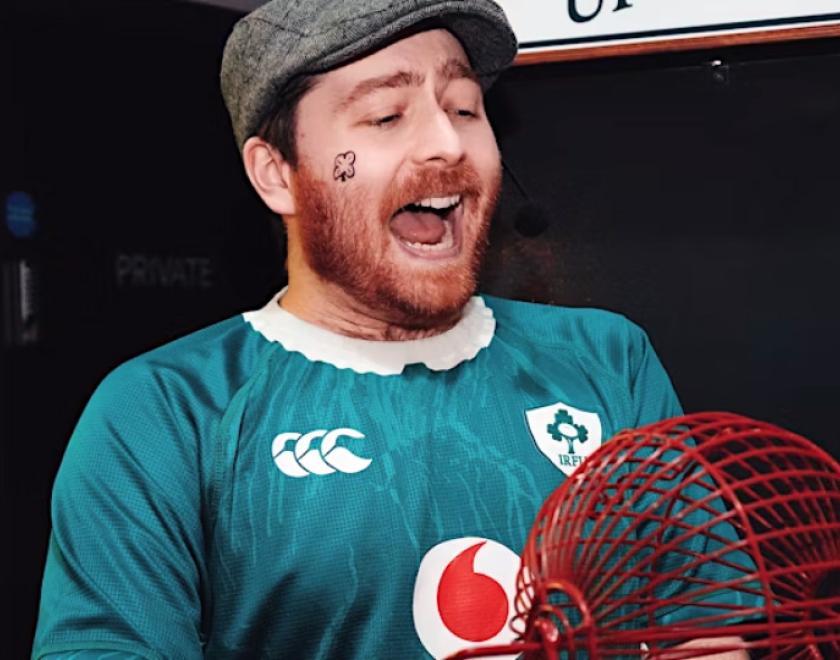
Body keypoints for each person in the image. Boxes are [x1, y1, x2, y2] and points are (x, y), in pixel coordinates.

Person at [32, 1, 757, 658]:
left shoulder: (607, 361)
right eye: (387, 117)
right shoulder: (164, 413)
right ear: (277, 173)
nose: (446, 144)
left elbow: (705, 625)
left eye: (467, 108)